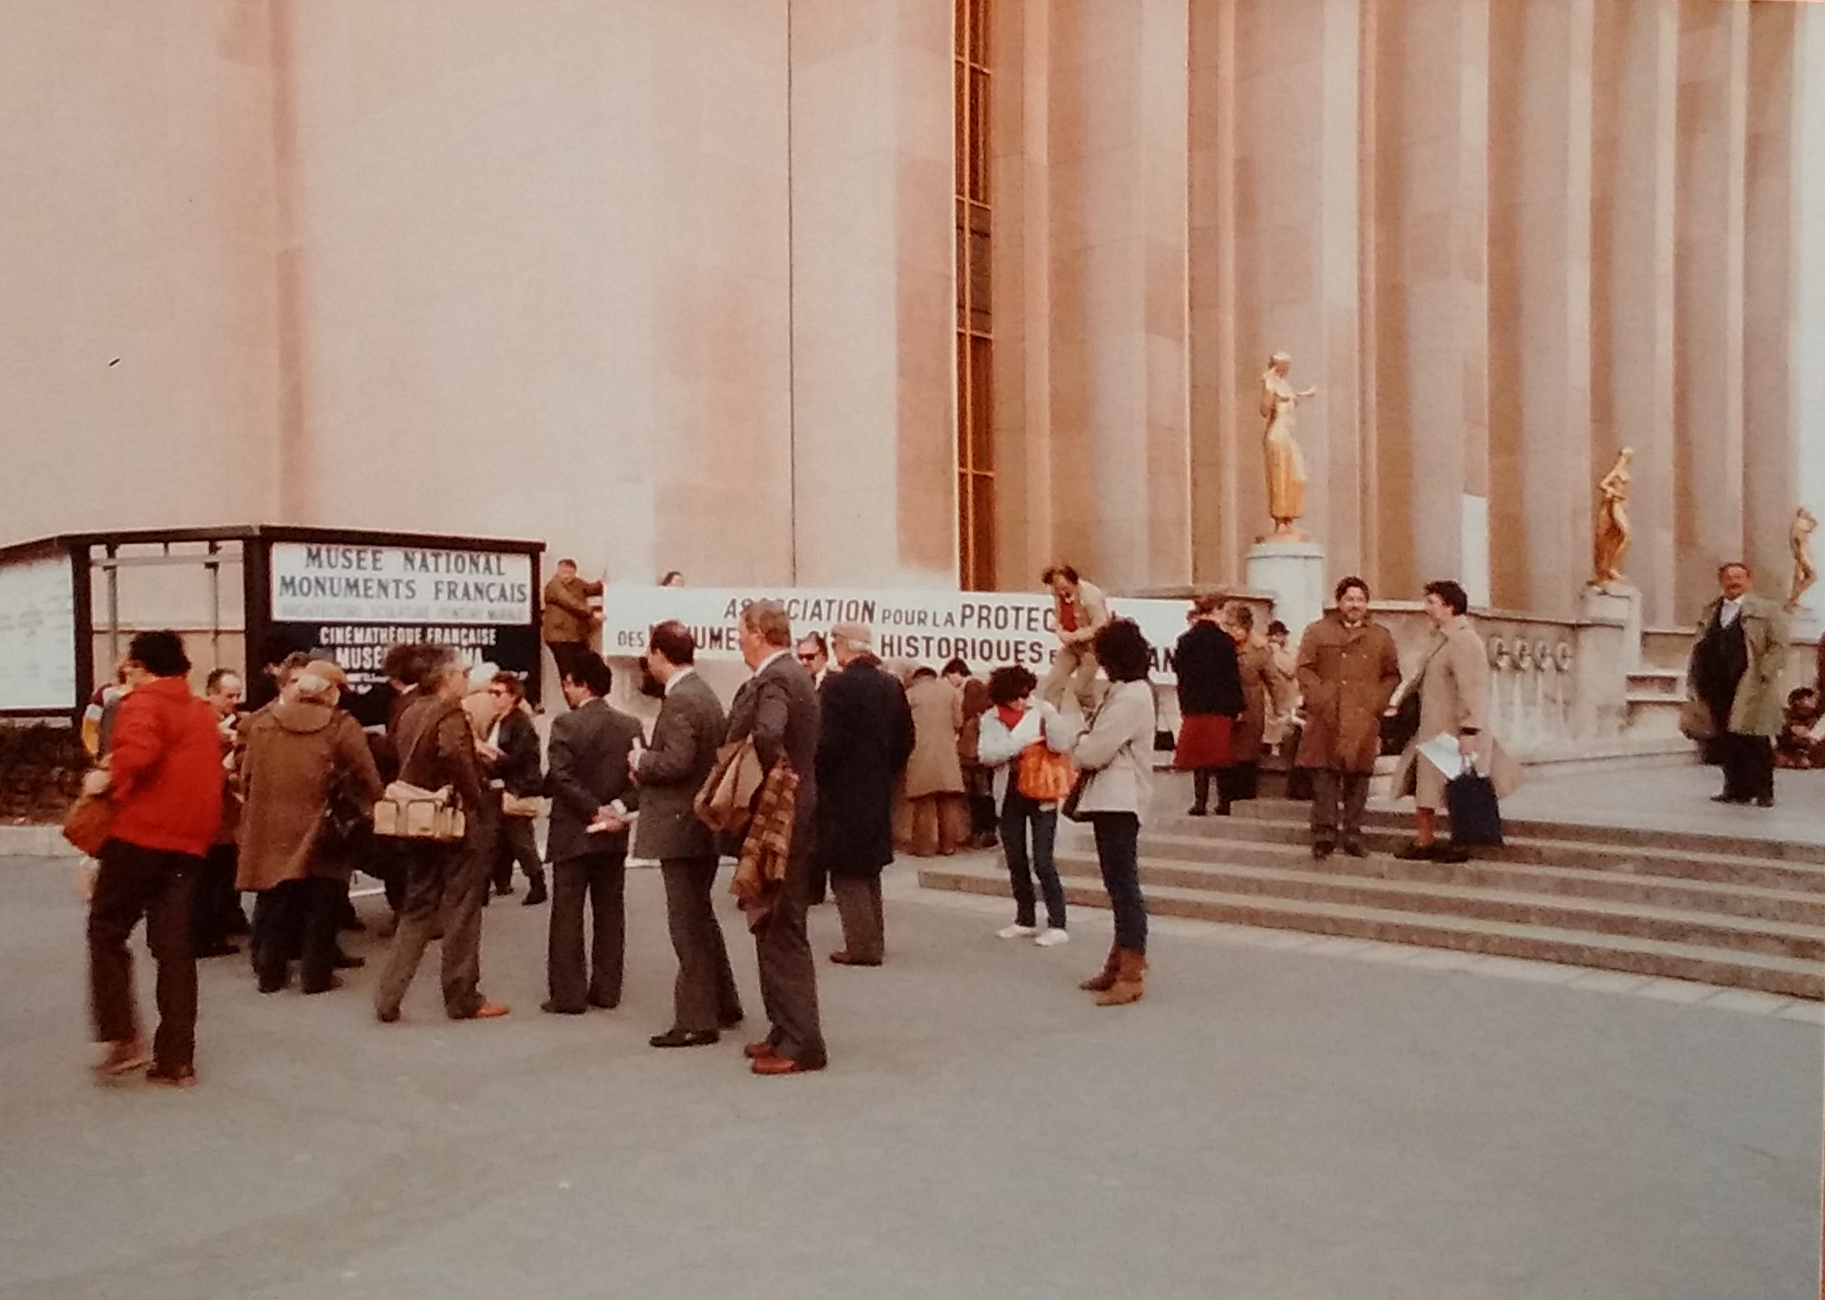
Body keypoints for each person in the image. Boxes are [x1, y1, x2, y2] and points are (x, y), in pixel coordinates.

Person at [85, 631, 224, 1087]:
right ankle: (176, 1058)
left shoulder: (142, 703)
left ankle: (123, 1037)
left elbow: (139, 754)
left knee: (106, 929)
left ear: (141, 666)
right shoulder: (201, 711)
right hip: (188, 842)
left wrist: (106, 778)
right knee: (173, 949)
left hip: (141, 836)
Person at [372, 648, 509, 1023]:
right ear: (447, 677)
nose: (467, 679)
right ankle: (462, 994)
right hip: (452, 821)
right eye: (463, 673)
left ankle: (388, 996)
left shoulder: (411, 711)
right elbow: (453, 754)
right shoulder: (449, 713)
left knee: (417, 908)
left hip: (417, 820)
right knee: (462, 909)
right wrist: (477, 797)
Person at [236, 661, 384, 994]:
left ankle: (270, 972)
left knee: (276, 894)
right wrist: (374, 801)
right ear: (329, 693)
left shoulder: (263, 725)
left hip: (272, 820)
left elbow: (246, 775)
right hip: (323, 820)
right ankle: (316, 975)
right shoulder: (341, 724)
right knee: (323, 897)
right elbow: (366, 771)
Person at [727, 599, 826, 1076]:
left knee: (781, 927)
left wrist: (768, 780)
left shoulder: (776, 678)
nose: (737, 639)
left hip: (782, 817)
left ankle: (802, 1041)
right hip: (797, 812)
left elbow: (768, 733)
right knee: (771, 923)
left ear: (758, 632)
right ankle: (784, 1029)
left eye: (741, 631)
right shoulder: (794, 674)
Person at [632, 622, 743, 1048]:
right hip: (699, 823)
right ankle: (723, 1001)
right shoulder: (704, 693)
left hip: (679, 824)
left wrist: (642, 760)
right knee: (702, 916)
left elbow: (677, 762)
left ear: (660, 653)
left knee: (687, 923)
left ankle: (697, 1018)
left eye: (649, 651)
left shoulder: (680, 700)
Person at [540, 652, 643, 1014]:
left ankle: (567, 994)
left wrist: (590, 808)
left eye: (567, 683)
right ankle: (607, 988)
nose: (565, 690)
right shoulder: (630, 725)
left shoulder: (565, 725)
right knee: (610, 910)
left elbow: (560, 776)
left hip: (572, 829)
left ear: (579, 684)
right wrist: (613, 809)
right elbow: (639, 779)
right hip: (612, 831)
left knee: (567, 913)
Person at [1390, 580, 1516, 861]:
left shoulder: (1464, 640)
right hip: (1434, 728)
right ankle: (1424, 841)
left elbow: (1473, 687)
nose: (1427, 609)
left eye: (1432, 602)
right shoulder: (1443, 638)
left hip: (1453, 732)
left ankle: (1462, 842)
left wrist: (1469, 728)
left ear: (1449, 606)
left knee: (1458, 788)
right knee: (1427, 787)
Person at [814, 623, 914, 967]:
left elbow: (826, 743)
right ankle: (874, 939)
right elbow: (906, 739)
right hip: (878, 785)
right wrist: (886, 769)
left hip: (843, 788)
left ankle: (862, 946)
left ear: (843, 646)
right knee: (869, 868)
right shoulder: (891, 684)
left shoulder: (838, 686)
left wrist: (822, 777)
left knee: (846, 869)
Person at [1071, 620, 1157, 1006]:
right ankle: (1118, 960)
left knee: (1124, 886)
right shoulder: (1122, 691)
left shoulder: (1133, 696)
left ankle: (1132, 971)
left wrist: (1080, 742)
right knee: (1116, 884)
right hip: (1111, 799)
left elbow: (1094, 751)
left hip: (1120, 800)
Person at [1294, 577, 1401, 859]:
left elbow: (1391, 674)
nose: (1355, 605)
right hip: (1326, 716)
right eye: (1350, 599)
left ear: (1367, 604)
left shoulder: (1381, 636)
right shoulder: (1317, 632)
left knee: (1358, 779)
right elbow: (1304, 668)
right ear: (1339, 601)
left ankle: (1353, 834)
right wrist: (1319, 698)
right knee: (1324, 778)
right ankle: (1324, 834)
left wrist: (1376, 703)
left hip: (1363, 717)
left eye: (1360, 599)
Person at [976, 665, 1075, 946]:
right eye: (1014, 698)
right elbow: (986, 754)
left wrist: (1051, 722)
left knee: (1043, 859)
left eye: (1024, 695)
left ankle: (1058, 922)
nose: (1021, 702)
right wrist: (1021, 744)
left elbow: (1060, 745)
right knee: (1015, 857)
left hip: (1042, 790)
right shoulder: (991, 718)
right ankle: (1025, 918)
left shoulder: (1042, 710)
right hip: (1009, 792)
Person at [1686, 562, 1790, 806]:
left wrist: (1765, 673)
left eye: (1739, 577)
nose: (1734, 582)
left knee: (1755, 738)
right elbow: (1701, 643)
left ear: (1748, 581)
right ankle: (1735, 788)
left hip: (1750, 684)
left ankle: (1763, 790)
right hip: (1716, 683)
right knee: (1726, 737)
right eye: (1729, 577)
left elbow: (1779, 645)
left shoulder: (1766, 609)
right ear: (1721, 581)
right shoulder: (1712, 610)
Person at [477, 672, 547, 905]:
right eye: (490, 692)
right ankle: (492, 885)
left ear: (513, 696)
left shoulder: (520, 723)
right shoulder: (496, 721)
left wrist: (488, 756)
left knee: (520, 840)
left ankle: (538, 883)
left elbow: (518, 758)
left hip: (516, 788)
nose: (492, 698)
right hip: (499, 788)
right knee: (493, 839)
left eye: (498, 693)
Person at [192, 668, 247, 958]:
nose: (234, 701)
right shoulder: (202, 723)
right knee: (210, 876)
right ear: (212, 694)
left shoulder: (236, 722)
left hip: (228, 814)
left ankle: (227, 918)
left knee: (226, 870)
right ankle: (206, 935)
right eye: (229, 696)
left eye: (238, 695)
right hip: (210, 812)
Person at [1173, 594, 1242, 816]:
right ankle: (1224, 803)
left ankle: (1200, 802)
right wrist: (1237, 706)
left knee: (1198, 758)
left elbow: (1180, 674)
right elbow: (1232, 677)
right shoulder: (1225, 641)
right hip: (1220, 706)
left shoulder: (1185, 641)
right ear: (1215, 611)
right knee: (1221, 756)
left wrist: (1185, 703)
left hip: (1194, 705)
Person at [900, 665, 968, 856]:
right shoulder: (950, 692)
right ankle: (949, 846)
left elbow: (903, 725)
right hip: (947, 754)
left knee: (924, 803)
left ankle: (924, 847)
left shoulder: (910, 694)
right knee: (948, 802)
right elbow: (958, 722)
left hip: (919, 753)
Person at [1224, 604, 1281, 811]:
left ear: (1245, 627)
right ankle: (1227, 793)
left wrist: (1279, 708)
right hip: (1227, 701)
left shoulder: (1260, 648)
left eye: (1234, 626)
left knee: (1248, 748)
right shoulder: (1223, 645)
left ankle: (1246, 791)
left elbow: (1273, 680)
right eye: (1227, 625)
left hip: (1251, 701)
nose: (1230, 630)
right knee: (1228, 749)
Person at [1038, 565, 1111, 711]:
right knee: (1052, 685)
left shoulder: (1090, 597)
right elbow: (1059, 618)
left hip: (1092, 647)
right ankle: (1050, 722)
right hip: (1071, 646)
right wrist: (1059, 630)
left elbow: (1100, 625)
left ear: (1072, 582)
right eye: (1055, 587)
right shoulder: (1059, 595)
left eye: (1062, 586)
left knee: (1082, 690)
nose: (1058, 591)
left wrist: (1074, 636)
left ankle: (1093, 718)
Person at [946, 658, 997, 848]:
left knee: (978, 797)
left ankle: (981, 831)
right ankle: (984, 831)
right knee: (982, 795)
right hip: (980, 758)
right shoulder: (986, 709)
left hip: (972, 757)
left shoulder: (971, 701)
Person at [541, 557, 604, 685]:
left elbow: (590, 589)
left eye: (570, 573)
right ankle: (572, 699)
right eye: (564, 572)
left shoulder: (577, 583)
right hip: (559, 636)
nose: (567, 576)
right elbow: (570, 602)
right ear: (558, 571)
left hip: (575, 637)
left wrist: (601, 584)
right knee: (568, 673)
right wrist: (591, 612)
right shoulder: (554, 585)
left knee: (579, 672)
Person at [1262, 621, 1300, 753]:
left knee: (1286, 733)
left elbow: (1290, 669)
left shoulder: (1290, 652)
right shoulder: (1265, 651)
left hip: (1287, 699)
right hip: (1270, 700)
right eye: (1273, 636)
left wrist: (1275, 652)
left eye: (1279, 635)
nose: (1276, 639)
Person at [1775, 688, 1820, 770]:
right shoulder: (1787, 716)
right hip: (1787, 749)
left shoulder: (1815, 717)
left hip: (1806, 750)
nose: (1813, 701)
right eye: (1809, 698)